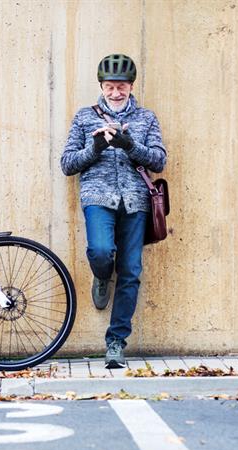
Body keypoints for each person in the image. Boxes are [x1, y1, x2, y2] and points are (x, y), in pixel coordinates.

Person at [60, 54, 167, 368]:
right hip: (98, 198)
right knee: (102, 252)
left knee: (131, 272)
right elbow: (67, 164)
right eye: (110, 87)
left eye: (121, 87)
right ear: (102, 86)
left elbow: (159, 161)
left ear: (131, 86)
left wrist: (129, 144)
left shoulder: (147, 118)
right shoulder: (84, 117)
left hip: (136, 202)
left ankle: (116, 342)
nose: (116, 93)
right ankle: (102, 276)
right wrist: (98, 147)